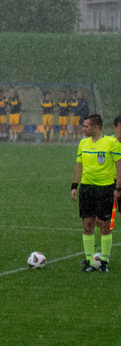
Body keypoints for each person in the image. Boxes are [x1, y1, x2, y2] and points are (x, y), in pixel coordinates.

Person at [71, 114, 121, 272]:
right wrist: (74, 186)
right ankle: (89, 262)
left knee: (105, 226)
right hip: (87, 188)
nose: (83, 129)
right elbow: (79, 166)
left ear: (96, 127)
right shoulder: (83, 143)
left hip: (105, 188)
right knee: (87, 225)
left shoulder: (111, 143)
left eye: (86, 126)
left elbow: (120, 167)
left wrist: (118, 189)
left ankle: (104, 262)